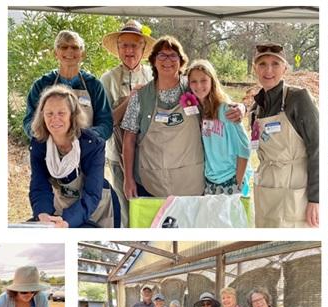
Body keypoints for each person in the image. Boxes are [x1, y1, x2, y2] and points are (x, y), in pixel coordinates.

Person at [120, 36, 202, 198]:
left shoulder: (194, 87)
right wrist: (128, 179)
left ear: (181, 61)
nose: (167, 61)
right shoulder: (140, 96)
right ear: (153, 61)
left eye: (173, 56)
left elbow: (219, 103)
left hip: (190, 181)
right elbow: (128, 139)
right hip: (151, 182)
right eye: (162, 55)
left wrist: (239, 108)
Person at [250, 42, 319, 228]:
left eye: (275, 64)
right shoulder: (256, 108)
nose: (268, 70)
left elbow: (317, 149)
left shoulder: (298, 99)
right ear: (255, 68)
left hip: (295, 187)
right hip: (266, 188)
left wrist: (316, 199)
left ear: (285, 69)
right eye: (262, 64)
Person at [29, 85, 117, 228]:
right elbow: (39, 186)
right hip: (61, 207)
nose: (54, 119)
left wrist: (67, 221)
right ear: (42, 116)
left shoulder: (92, 144)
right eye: (49, 113)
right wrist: (43, 214)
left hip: (95, 209)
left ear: (72, 115)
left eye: (61, 113)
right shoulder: (39, 144)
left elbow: (92, 194)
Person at [100, 20, 155, 227]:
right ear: (118, 48)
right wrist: (130, 99)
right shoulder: (107, 79)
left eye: (134, 45)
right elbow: (106, 122)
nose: (129, 50)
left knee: (150, 208)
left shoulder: (153, 75)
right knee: (126, 209)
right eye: (124, 45)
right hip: (118, 156)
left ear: (143, 48)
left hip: (150, 157)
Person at [24, 30, 112, 143]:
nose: (69, 51)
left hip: (87, 151)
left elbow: (105, 122)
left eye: (75, 47)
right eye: (63, 47)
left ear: (82, 53)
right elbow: (29, 120)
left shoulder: (93, 85)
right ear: (55, 53)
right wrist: (47, 137)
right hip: (49, 149)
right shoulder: (42, 84)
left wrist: (87, 137)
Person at [187, 60, 250, 195]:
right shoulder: (198, 112)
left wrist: (237, 184)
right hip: (210, 182)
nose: (198, 85)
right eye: (194, 81)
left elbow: (244, 149)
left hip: (230, 180)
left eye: (203, 80)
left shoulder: (227, 110)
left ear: (212, 81)